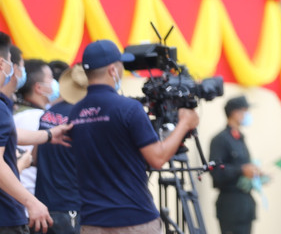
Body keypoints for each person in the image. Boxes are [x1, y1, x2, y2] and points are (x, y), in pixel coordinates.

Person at [68, 40, 200, 233]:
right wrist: (184, 124)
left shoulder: (75, 113)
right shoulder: (128, 108)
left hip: (92, 222)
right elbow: (157, 159)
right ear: (112, 70)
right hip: (134, 220)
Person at [0, 36, 70, 233]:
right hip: (6, 217)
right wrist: (31, 201)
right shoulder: (2, 109)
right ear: (3, 64)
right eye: (13, 64)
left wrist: (49, 135)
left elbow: (12, 134)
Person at [35, 66, 89, 234]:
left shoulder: (48, 113)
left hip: (43, 209)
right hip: (71, 209)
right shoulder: (83, 117)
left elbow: (35, 157)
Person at [209, 96, 261, 234]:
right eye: (245, 111)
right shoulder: (220, 139)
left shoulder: (240, 138)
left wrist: (256, 173)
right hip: (230, 205)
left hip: (245, 205)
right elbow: (216, 171)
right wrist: (241, 170)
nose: (247, 115)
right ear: (235, 113)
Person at [13, 60, 58, 195]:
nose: (55, 83)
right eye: (50, 78)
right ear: (39, 88)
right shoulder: (43, 118)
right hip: (33, 195)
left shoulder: (12, 114)